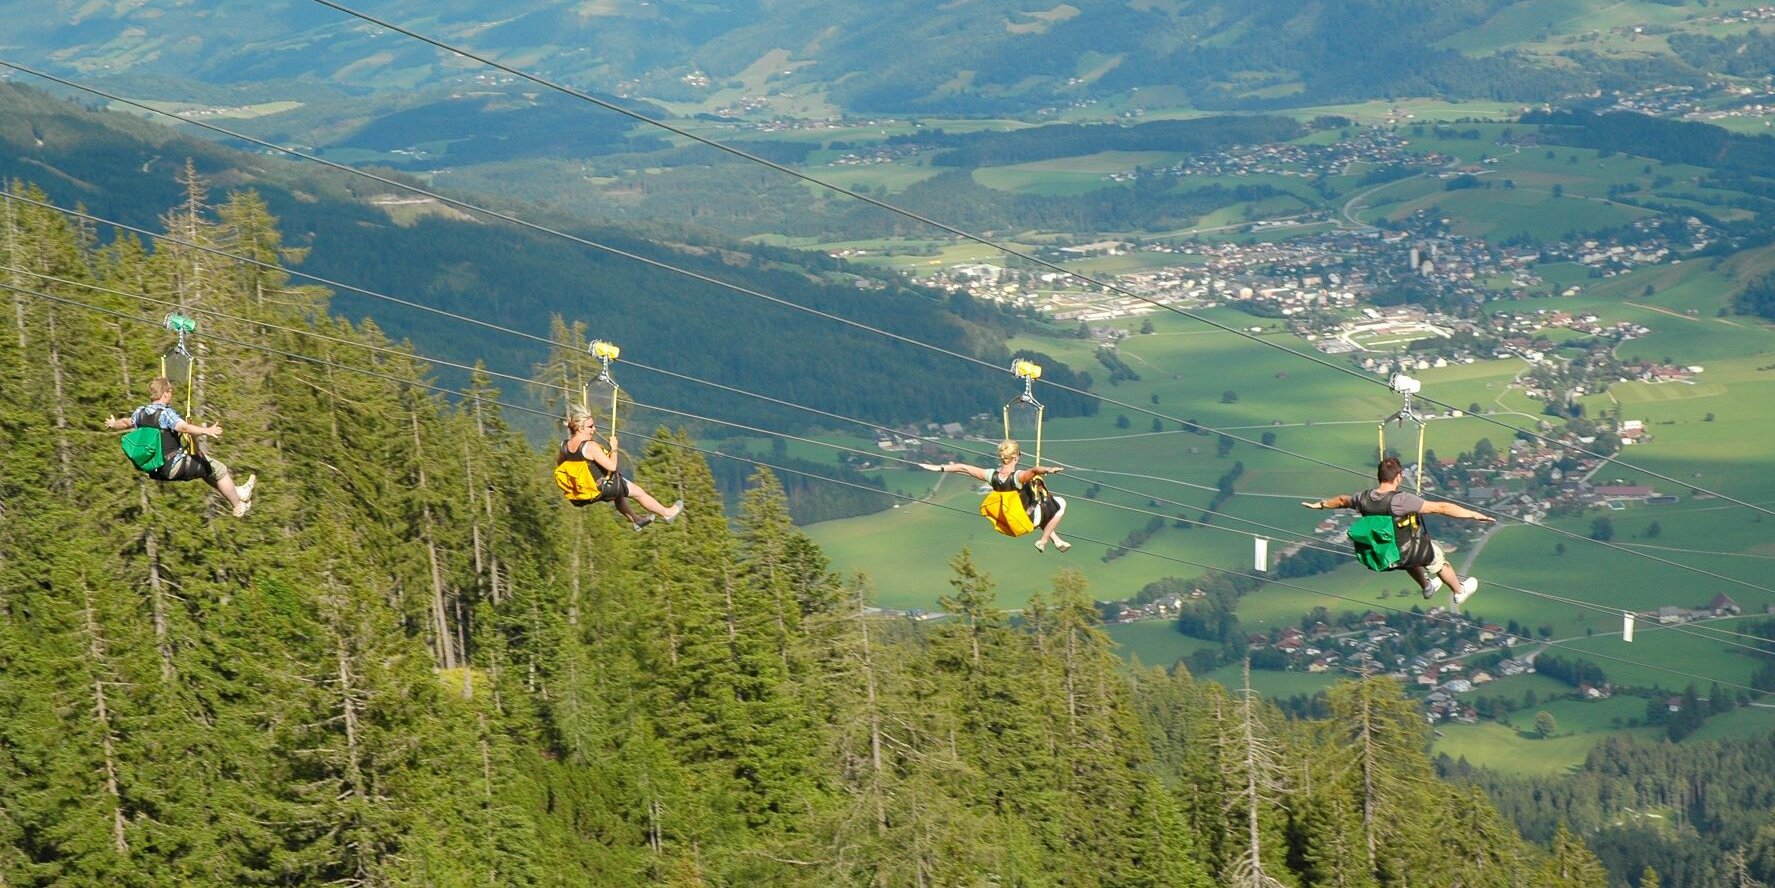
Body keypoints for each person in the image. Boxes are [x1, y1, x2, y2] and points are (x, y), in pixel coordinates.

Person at [1302, 456, 1494, 605]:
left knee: (1409, 555)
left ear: (1379, 477)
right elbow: (1441, 508)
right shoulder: (1401, 500)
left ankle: (1427, 586)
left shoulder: (1363, 498)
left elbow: (1342, 500)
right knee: (1437, 558)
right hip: (1406, 552)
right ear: (1399, 477)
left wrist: (1321, 504)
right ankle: (1459, 591)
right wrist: (1473, 514)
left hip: (1383, 557)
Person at [105, 376, 256, 517]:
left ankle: (238, 492)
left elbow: (125, 423)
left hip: (156, 470)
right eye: (170, 391)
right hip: (172, 465)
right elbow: (184, 428)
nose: (171, 394)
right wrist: (207, 431)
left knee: (205, 467)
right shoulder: (166, 414)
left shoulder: (140, 412)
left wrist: (113, 424)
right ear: (165, 393)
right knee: (220, 469)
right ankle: (238, 506)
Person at [921, 440, 1070, 553]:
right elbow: (1035, 470)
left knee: (1044, 507)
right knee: (1060, 503)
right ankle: (1043, 541)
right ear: (1016, 457)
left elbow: (963, 467)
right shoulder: (1017, 477)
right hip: (1029, 519)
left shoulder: (991, 476)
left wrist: (938, 468)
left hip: (1013, 522)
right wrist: (1049, 469)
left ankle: (1057, 541)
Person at [556, 410, 682, 530]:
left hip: (583, 493)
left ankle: (636, 520)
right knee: (638, 492)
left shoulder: (564, 446)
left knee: (618, 494)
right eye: (590, 426)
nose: (594, 429)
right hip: (602, 487)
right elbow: (612, 466)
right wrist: (614, 448)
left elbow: (561, 465)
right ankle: (667, 513)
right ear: (580, 428)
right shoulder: (590, 446)